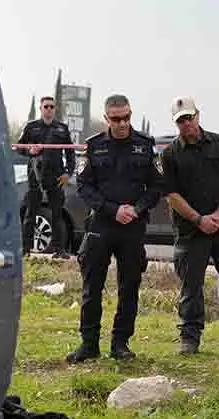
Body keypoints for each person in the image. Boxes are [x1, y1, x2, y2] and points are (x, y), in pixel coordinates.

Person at [66, 94, 163, 363]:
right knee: (91, 286)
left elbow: (157, 185)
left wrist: (137, 209)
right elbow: (84, 186)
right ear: (107, 118)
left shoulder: (145, 145)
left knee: (129, 286)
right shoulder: (94, 146)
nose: (122, 123)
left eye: (126, 117)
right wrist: (112, 209)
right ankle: (89, 344)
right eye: (116, 119)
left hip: (133, 225)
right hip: (102, 224)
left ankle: (120, 343)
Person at [161, 96, 219, 356]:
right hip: (190, 231)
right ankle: (190, 337)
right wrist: (198, 219)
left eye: (189, 118)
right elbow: (172, 195)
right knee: (190, 287)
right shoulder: (170, 154)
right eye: (181, 121)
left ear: (198, 116)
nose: (186, 124)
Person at [17, 96, 74, 259]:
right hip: (36, 174)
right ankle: (25, 249)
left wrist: (68, 172)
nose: (49, 109)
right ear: (41, 108)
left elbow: (70, 152)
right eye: (46, 106)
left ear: (55, 109)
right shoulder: (31, 127)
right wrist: (29, 151)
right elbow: (19, 147)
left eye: (51, 107)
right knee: (31, 213)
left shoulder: (62, 129)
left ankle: (59, 250)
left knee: (57, 214)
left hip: (56, 176)